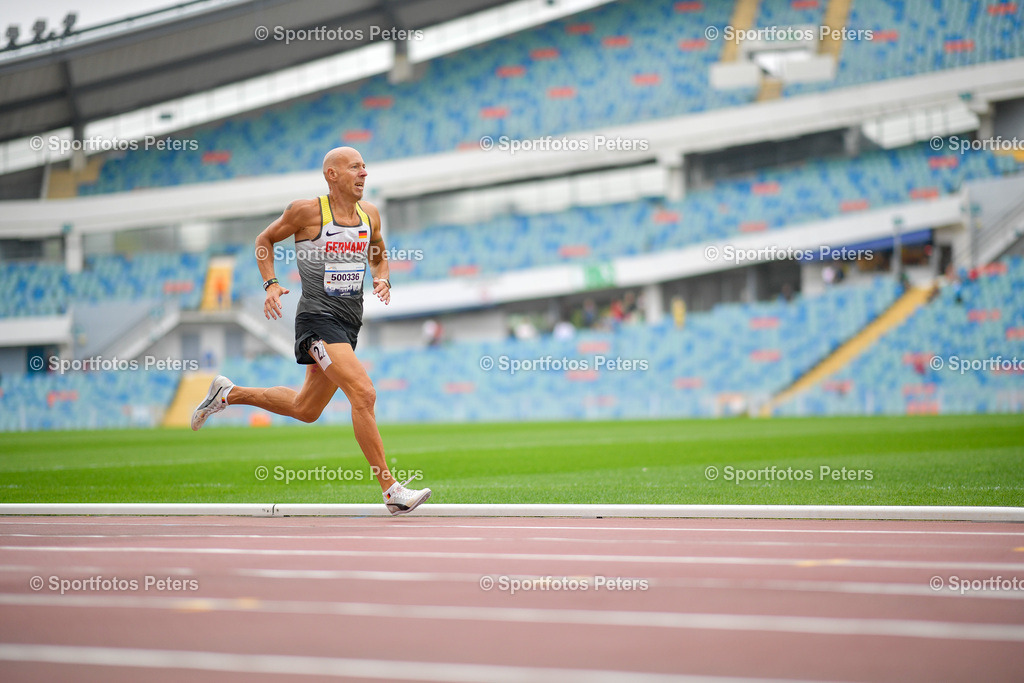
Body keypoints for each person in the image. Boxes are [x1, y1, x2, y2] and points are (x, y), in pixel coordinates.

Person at [190, 147, 431, 515]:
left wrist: (382, 278)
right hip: (317, 321)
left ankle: (229, 393)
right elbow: (264, 241)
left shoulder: (370, 214)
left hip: (348, 324)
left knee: (306, 409)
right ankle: (391, 490)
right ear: (332, 175)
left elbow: (378, 251)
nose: (364, 173)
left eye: (365, 167)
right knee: (363, 393)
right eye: (355, 167)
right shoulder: (306, 212)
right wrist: (271, 284)